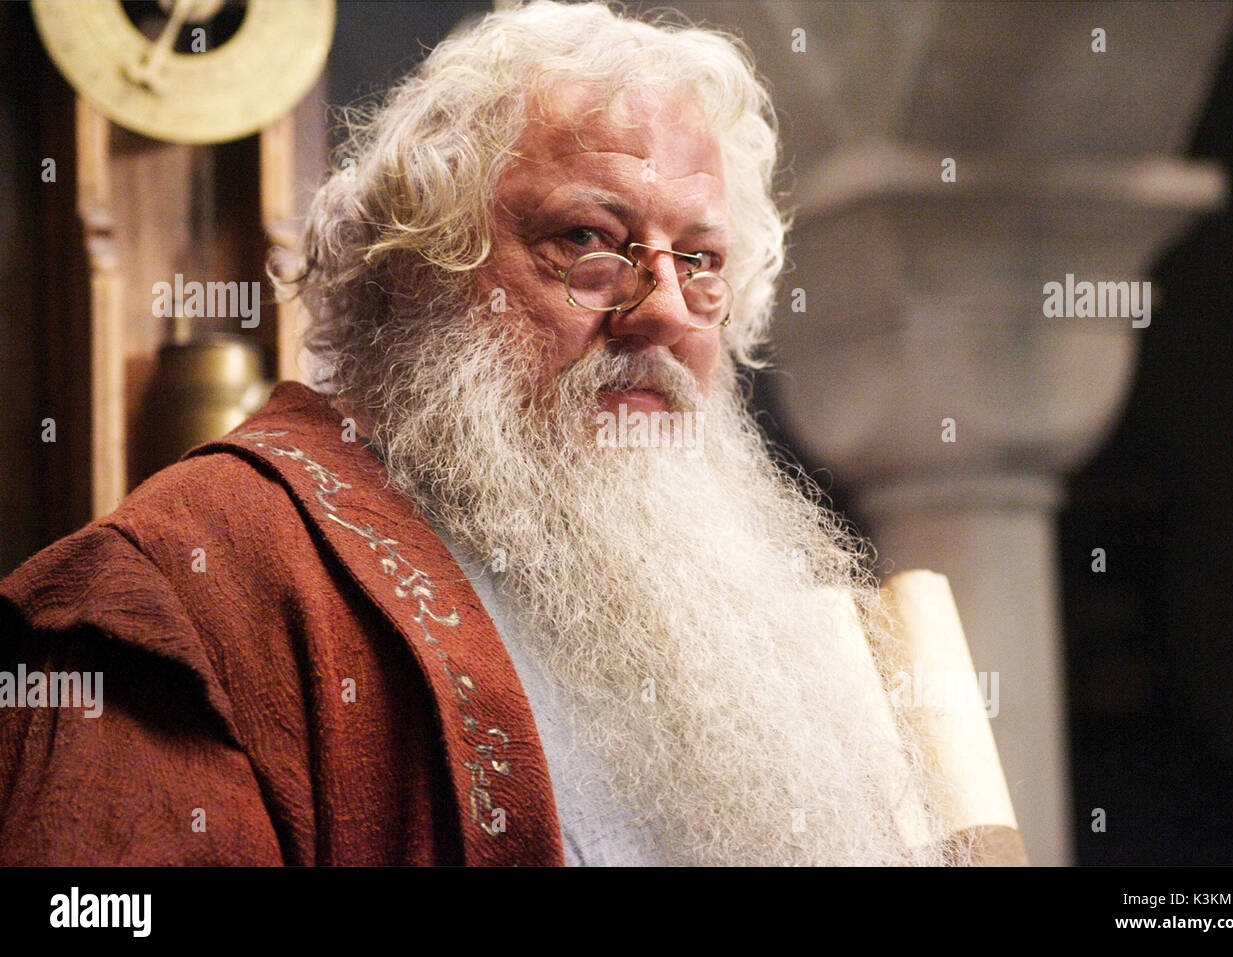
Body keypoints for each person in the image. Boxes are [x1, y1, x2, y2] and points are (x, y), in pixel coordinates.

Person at [0, 1, 961, 866]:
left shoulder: (747, 619)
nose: (665, 309)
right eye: (587, 239)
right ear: (415, 271)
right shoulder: (187, 583)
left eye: (702, 260)